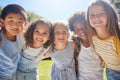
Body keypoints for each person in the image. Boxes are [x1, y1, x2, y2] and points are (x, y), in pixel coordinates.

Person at [87, 0, 120, 80]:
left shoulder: (116, 36)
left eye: (101, 14)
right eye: (92, 15)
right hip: (110, 72)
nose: (96, 17)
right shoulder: (92, 38)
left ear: (109, 15)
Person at [68, 11, 103, 80]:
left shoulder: (98, 41)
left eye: (84, 26)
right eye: (77, 29)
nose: (81, 30)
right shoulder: (76, 43)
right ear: (74, 31)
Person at [0, 4, 27, 80]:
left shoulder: (21, 38)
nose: (15, 25)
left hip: (13, 76)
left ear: (24, 24)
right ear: (2, 22)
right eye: (10, 21)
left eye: (19, 22)